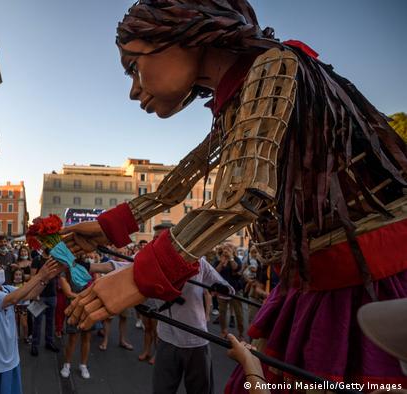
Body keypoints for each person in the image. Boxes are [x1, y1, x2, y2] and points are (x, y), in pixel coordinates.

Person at [60, 0, 407, 390]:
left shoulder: (275, 66)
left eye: (133, 67)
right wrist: (110, 227)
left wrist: (140, 277)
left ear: (181, 35)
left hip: (359, 286)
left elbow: (243, 195)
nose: (134, 90)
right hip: (319, 282)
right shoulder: (246, 90)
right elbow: (182, 180)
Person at [0, 256, 60, 394]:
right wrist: (40, 275)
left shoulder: (6, 288)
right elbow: (13, 299)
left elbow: (30, 293)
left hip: (9, 358)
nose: (0, 269)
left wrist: (46, 278)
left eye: (0, 266)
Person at [153, 257, 233, 394]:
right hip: (167, 337)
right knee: (162, 390)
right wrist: (102, 265)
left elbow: (228, 290)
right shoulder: (155, 254)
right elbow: (125, 267)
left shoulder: (199, 260)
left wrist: (222, 289)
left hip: (196, 338)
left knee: (200, 390)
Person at [30, 248, 60, 356]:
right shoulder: (37, 260)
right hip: (40, 295)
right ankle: (35, 345)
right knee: (37, 322)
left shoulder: (54, 260)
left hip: (52, 294)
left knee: (50, 321)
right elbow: (33, 277)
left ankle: (49, 342)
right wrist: (34, 293)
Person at [214, 245, 244, 338]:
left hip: (235, 290)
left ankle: (241, 333)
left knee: (238, 313)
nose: (226, 250)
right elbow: (215, 272)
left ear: (232, 250)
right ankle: (223, 330)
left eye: (228, 248)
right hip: (222, 290)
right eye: (225, 249)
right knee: (222, 313)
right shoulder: (218, 260)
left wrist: (230, 258)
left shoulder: (236, 259)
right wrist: (221, 263)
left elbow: (236, 268)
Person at [12, 269, 30, 343]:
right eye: (16, 275)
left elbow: (29, 294)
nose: (18, 276)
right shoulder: (11, 285)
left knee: (24, 323)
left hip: (23, 306)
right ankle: (17, 336)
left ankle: (26, 336)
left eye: (19, 275)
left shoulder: (25, 284)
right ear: (13, 276)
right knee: (15, 322)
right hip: (14, 306)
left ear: (22, 276)